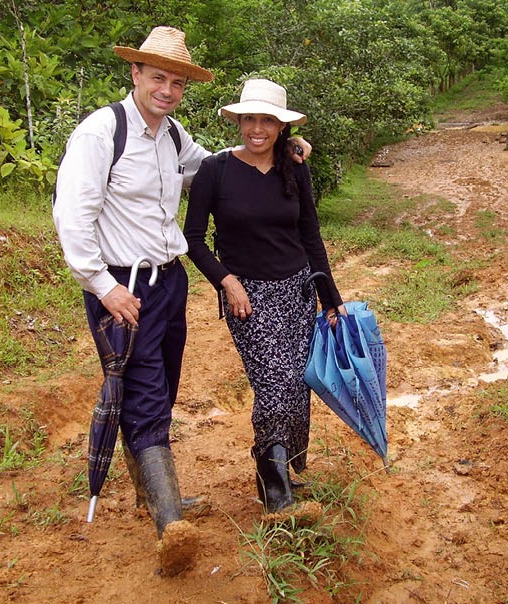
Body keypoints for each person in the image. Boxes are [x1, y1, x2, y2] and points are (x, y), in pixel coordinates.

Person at [52, 27, 309, 575]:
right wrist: (102, 286)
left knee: (161, 385)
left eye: (177, 83)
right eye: (158, 78)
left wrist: (282, 145)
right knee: (143, 391)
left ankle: (154, 494)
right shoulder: (102, 133)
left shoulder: (172, 135)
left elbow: (218, 164)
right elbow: (72, 216)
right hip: (123, 284)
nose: (167, 90)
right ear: (136, 75)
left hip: (169, 281)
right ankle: (171, 524)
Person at [183, 78, 346, 516]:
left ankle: (287, 470)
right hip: (248, 297)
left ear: (281, 126)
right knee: (276, 384)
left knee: (298, 383)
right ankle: (275, 492)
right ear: (238, 121)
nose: (257, 128)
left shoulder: (295, 167)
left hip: (296, 290)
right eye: (249, 118)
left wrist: (330, 296)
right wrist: (226, 281)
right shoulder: (214, 171)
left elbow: (310, 233)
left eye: (267, 120)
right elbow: (194, 239)